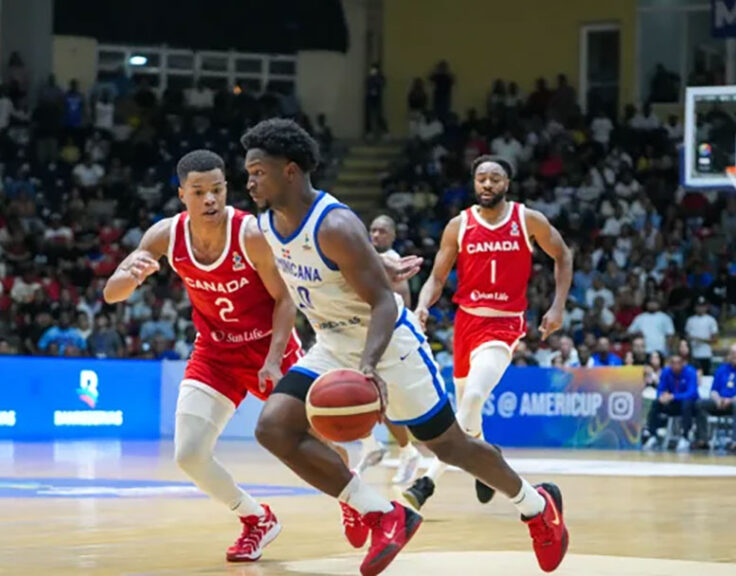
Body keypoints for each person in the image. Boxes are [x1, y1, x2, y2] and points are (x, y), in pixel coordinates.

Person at [243, 119, 568, 576]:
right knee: (273, 427)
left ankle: (538, 507)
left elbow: (381, 301)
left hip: (389, 344)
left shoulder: (335, 223)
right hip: (334, 342)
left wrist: (369, 366)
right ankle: (384, 514)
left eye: (259, 171)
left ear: (291, 171)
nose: (250, 180)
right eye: (249, 172)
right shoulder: (266, 226)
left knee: (452, 447)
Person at [103, 149, 418, 563]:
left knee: (323, 438)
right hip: (215, 354)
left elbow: (284, 298)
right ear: (182, 195)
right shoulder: (164, 235)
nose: (210, 199)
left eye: (217, 189)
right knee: (189, 454)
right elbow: (112, 294)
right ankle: (256, 519)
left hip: (269, 347)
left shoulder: (249, 232)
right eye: (199, 192)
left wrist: (272, 358)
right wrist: (129, 276)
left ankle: (352, 496)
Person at [401, 155, 572, 511]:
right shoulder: (458, 225)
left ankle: (427, 483)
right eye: (481, 178)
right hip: (466, 324)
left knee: (473, 398)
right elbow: (436, 276)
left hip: (504, 323)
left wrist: (557, 306)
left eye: (495, 178)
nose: (487, 184)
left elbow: (563, 255)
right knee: (469, 413)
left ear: (506, 184)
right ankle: (485, 460)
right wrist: (422, 305)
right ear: (474, 183)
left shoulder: (527, 219)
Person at [360, 214, 423, 486]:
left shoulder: (394, 262)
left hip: (387, 339)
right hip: (363, 336)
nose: (376, 235)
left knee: (386, 403)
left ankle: (407, 452)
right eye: (372, 230)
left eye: (382, 231)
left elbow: (403, 303)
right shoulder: (366, 258)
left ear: (393, 236)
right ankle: (372, 445)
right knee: (356, 394)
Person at [694, 344, 736, 452]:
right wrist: (718, 399)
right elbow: (714, 390)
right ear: (729, 355)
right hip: (720, 402)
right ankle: (703, 439)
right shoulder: (722, 369)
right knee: (700, 403)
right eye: (733, 353)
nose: (735, 356)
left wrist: (731, 400)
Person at [643, 354, 698, 452]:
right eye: (673, 363)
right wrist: (661, 396)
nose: (676, 366)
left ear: (683, 364)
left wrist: (674, 396)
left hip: (689, 405)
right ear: (670, 364)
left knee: (687, 403)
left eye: (678, 363)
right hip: (673, 404)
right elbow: (661, 389)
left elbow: (692, 392)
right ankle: (652, 436)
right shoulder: (666, 372)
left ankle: (685, 437)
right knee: (656, 403)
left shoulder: (690, 372)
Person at [684, 297, 719, 374]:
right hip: (693, 355)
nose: (700, 308)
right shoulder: (690, 320)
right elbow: (686, 337)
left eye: (702, 306)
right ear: (695, 307)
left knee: (706, 377)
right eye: (698, 306)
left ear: (706, 307)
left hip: (706, 354)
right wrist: (689, 339)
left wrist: (699, 339)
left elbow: (715, 340)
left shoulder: (711, 320)